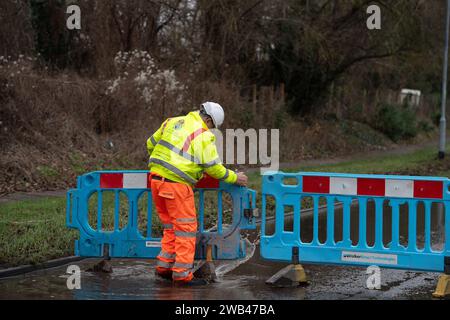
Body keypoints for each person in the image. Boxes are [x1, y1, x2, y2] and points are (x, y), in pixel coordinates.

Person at [146, 102, 248, 285]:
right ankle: (182, 275)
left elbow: (150, 144)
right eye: (212, 126)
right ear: (208, 119)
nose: (211, 130)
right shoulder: (203, 135)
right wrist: (234, 177)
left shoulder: (172, 121)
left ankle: (163, 268)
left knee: (170, 227)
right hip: (177, 185)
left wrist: (163, 165)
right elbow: (213, 168)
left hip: (156, 181)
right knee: (186, 229)